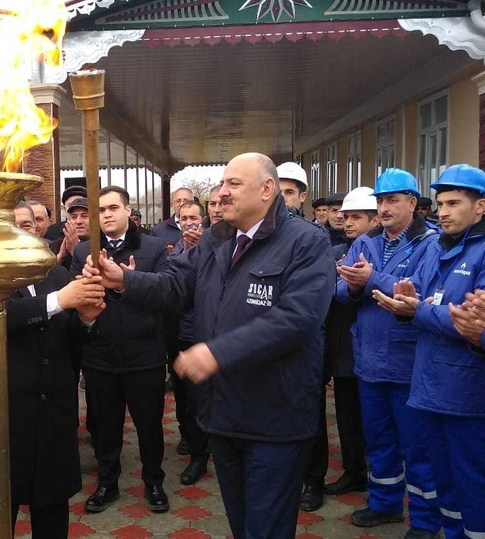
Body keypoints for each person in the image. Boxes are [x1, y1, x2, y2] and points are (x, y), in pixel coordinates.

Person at [84, 153, 334, 538]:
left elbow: (297, 318)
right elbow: (174, 284)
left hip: (275, 418)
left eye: (234, 183)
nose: (222, 193)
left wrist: (217, 352)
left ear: (267, 190)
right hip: (222, 413)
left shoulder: (305, 242)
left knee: (266, 528)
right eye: (222, 183)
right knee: (241, 522)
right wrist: (124, 281)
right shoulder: (217, 241)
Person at [374, 165, 485, 539]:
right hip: (431, 387)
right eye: (441, 203)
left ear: (481, 206)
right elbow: (418, 295)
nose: (443, 211)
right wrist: (417, 308)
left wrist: (421, 310)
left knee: (479, 489)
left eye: (454, 203)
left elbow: (476, 323)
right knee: (446, 486)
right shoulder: (437, 246)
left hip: (472, 398)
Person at [335, 169, 441, 538]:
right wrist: (350, 287)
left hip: (408, 364)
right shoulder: (366, 242)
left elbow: (421, 293)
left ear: (413, 203)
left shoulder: (431, 243)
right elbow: (340, 292)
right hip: (369, 361)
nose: (384, 207)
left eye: (392, 200)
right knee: (379, 441)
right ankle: (384, 504)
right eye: (380, 201)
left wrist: (369, 281)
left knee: (418, 448)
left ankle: (426, 521)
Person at [70, 186, 171, 514]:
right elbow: (74, 300)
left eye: (114, 207)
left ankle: (154, 481)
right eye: (100, 210)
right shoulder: (84, 251)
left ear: (129, 211)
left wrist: (130, 279)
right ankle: (107, 483)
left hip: (144, 355)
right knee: (105, 426)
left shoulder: (154, 248)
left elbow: (165, 296)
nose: (107, 214)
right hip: (100, 355)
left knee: (149, 425)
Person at [7, 202, 104, 538]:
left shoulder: (58, 274)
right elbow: (1, 318)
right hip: (9, 417)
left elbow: (70, 341)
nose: (30, 226)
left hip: (54, 415)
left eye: (35, 221)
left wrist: (87, 319)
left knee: (51, 512)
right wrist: (60, 301)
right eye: (20, 222)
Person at [301, 187, 376, 512]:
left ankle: (374, 475)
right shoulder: (332, 251)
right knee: (346, 415)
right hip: (339, 346)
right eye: (345, 217)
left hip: (375, 348)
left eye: (356, 217)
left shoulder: (381, 251)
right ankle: (355, 470)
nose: (347, 222)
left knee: (373, 419)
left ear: (374, 219)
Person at [170, 201, 210, 485]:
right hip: (182, 332)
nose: (189, 223)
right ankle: (196, 451)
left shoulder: (218, 244)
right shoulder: (173, 247)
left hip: (212, 333)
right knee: (187, 399)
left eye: (193, 217)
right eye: (184, 218)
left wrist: (202, 250)